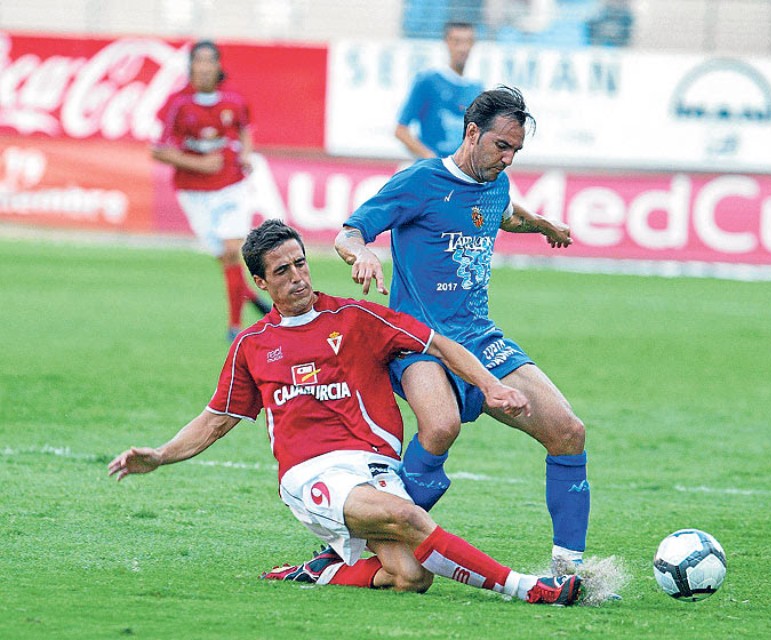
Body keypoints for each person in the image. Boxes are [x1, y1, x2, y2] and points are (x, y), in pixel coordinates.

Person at [108, 219, 583, 606]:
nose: (297, 277)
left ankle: (323, 570)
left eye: (300, 264)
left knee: (411, 576)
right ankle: (529, 589)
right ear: (260, 282)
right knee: (408, 517)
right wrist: (162, 455)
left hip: (374, 467)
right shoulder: (253, 346)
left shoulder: (357, 318)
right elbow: (216, 418)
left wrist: (490, 386)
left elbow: (437, 343)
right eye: (282, 272)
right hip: (311, 475)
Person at [335, 86, 591, 575]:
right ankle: (372, 542)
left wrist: (542, 225)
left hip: (480, 338)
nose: (508, 158)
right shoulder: (419, 181)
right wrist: (362, 252)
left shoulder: (495, 184)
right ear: (472, 133)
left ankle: (570, 572)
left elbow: (506, 215)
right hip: (420, 342)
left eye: (516, 150)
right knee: (440, 426)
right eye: (501, 146)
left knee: (569, 432)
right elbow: (350, 231)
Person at [153, 40, 270, 341]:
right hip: (193, 191)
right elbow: (159, 150)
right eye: (199, 60)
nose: (204, 67)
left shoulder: (234, 98)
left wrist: (245, 153)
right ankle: (251, 298)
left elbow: (245, 129)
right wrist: (200, 164)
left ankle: (234, 327)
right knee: (224, 259)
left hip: (231, 184)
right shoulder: (177, 103)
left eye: (210, 61)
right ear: (190, 65)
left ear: (218, 65)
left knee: (233, 250)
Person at [394, 22, 483, 159]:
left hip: (462, 174)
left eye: (467, 42)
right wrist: (430, 157)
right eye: (457, 41)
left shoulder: (476, 88)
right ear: (447, 42)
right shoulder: (428, 81)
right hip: (433, 172)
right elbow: (401, 130)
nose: (463, 48)